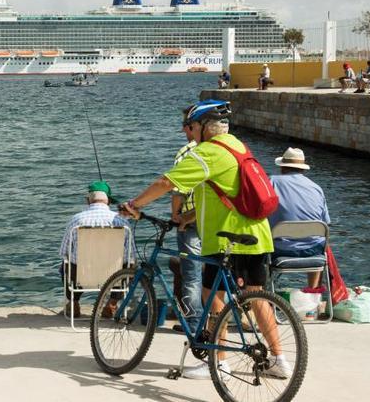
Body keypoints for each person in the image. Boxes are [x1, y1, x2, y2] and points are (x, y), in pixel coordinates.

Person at [119, 99, 289, 381]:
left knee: (212, 298)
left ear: (203, 127)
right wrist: (188, 218)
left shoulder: (208, 152)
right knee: (257, 296)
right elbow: (228, 195)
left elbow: (166, 183)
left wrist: (134, 204)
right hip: (257, 234)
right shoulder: (237, 146)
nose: (190, 131)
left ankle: (219, 363)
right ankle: (279, 358)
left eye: (192, 126)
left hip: (224, 240)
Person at [59, 180, 133, 318]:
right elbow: (131, 255)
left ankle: (74, 304)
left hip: (82, 275)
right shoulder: (122, 221)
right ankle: (111, 304)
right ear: (109, 201)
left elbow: (63, 252)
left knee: (65, 266)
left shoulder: (76, 220)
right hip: (114, 275)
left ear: (88, 200)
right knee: (130, 266)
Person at [268, 147, 330, 288]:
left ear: (282, 168)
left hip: (281, 250)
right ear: (302, 169)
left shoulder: (271, 182)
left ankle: (264, 295)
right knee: (318, 239)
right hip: (314, 251)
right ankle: (313, 293)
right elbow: (325, 224)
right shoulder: (316, 188)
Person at [167, 107, 203, 334]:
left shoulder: (186, 153)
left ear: (194, 127)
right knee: (213, 273)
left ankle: (194, 325)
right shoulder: (222, 150)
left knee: (191, 275)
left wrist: (176, 216)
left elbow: (177, 189)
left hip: (190, 223)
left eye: (185, 125)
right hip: (215, 220)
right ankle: (217, 320)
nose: (182, 129)